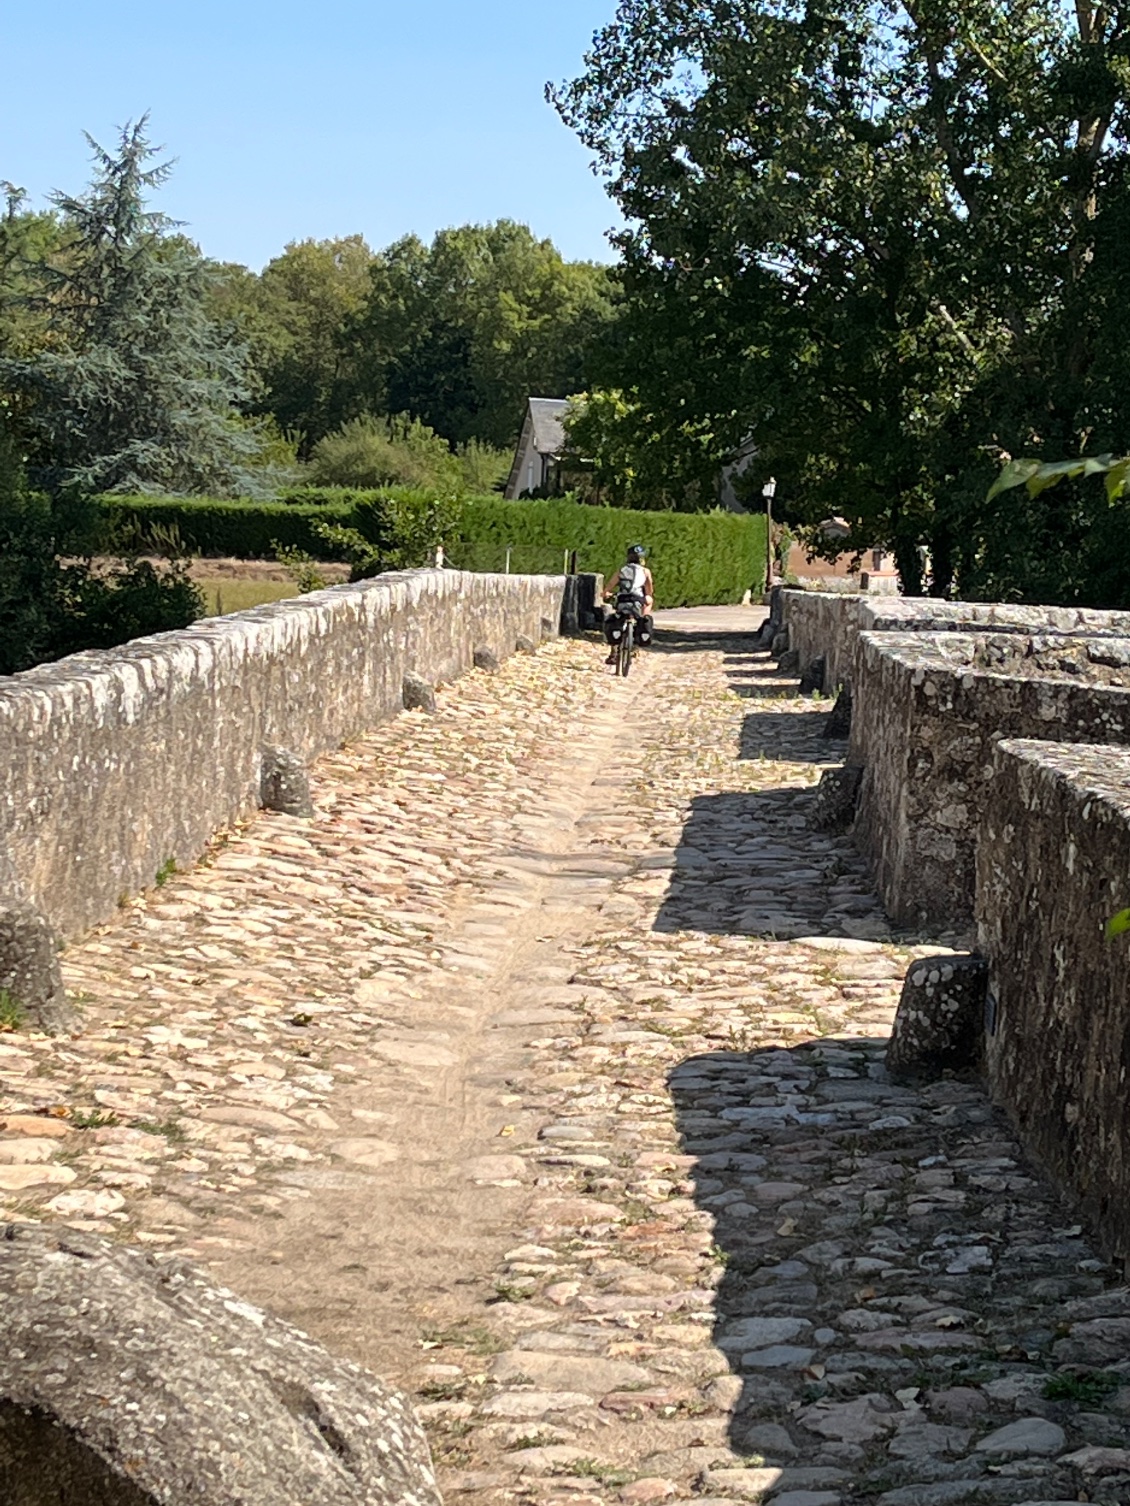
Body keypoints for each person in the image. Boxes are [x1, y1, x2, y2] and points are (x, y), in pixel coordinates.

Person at [603, 544, 654, 664]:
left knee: (617, 620)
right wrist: (647, 596)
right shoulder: (645, 572)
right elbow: (649, 591)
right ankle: (643, 618)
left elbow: (610, 586)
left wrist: (606, 593)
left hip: (622, 600)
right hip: (637, 602)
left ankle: (613, 652)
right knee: (649, 600)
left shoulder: (622, 570)